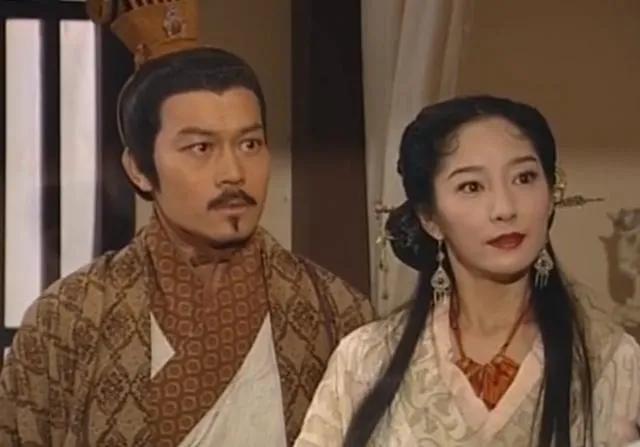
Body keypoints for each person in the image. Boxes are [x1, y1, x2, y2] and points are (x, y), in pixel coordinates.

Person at [0, 1, 373, 446]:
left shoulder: (336, 313)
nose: (234, 173)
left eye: (250, 144)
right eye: (201, 148)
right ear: (139, 169)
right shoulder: (68, 318)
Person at [295, 95, 640, 446]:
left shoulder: (610, 359)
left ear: (552, 194)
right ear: (430, 218)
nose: (505, 208)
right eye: (471, 187)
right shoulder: (365, 360)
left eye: (524, 178)